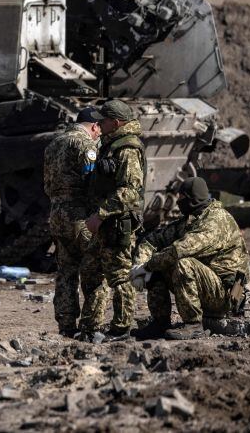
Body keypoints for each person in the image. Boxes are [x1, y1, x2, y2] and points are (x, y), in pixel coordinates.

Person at [130, 177, 250, 340]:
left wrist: (147, 266)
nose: (178, 202)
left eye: (181, 198)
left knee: (183, 264)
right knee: (159, 266)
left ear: (192, 199)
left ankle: (193, 325)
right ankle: (160, 323)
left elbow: (180, 250)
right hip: (208, 289)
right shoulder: (194, 218)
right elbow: (153, 239)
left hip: (225, 296)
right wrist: (139, 265)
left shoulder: (216, 221)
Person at [44, 107, 109, 339]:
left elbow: (48, 182)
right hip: (81, 216)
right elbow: (92, 181)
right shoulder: (85, 144)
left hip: (57, 213)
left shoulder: (54, 144)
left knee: (66, 271)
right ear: (94, 126)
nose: (100, 133)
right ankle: (92, 326)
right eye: (100, 128)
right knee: (94, 270)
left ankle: (66, 324)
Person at [85, 99, 145, 338]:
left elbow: (130, 191)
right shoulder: (111, 144)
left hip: (117, 223)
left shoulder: (127, 148)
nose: (99, 124)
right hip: (105, 223)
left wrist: (99, 215)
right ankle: (91, 325)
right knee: (91, 271)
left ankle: (121, 328)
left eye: (104, 120)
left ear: (117, 122)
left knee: (120, 276)